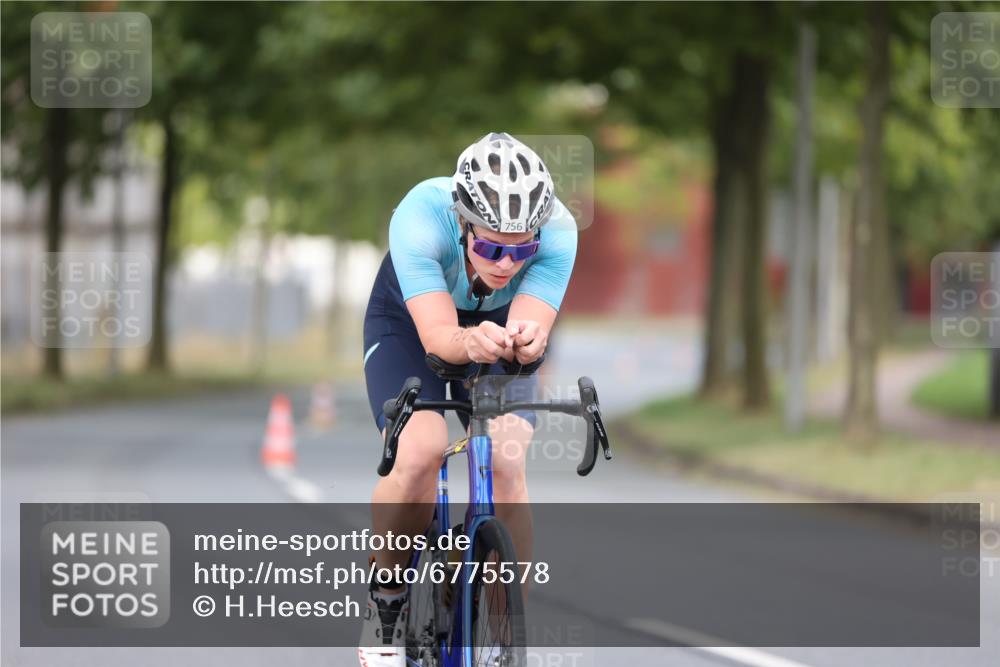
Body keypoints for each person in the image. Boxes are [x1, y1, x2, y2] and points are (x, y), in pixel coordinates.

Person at [358, 132, 578, 666]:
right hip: (411, 324)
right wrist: (466, 341)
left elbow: (530, 332)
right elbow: (439, 340)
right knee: (420, 451)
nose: (506, 263)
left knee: (506, 459)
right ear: (462, 222)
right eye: (491, 246)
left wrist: (526, 342)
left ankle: (504, 631)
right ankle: (386, 605)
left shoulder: (561, 231)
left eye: (521, 248)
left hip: (499, 323)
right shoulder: (419, 217)